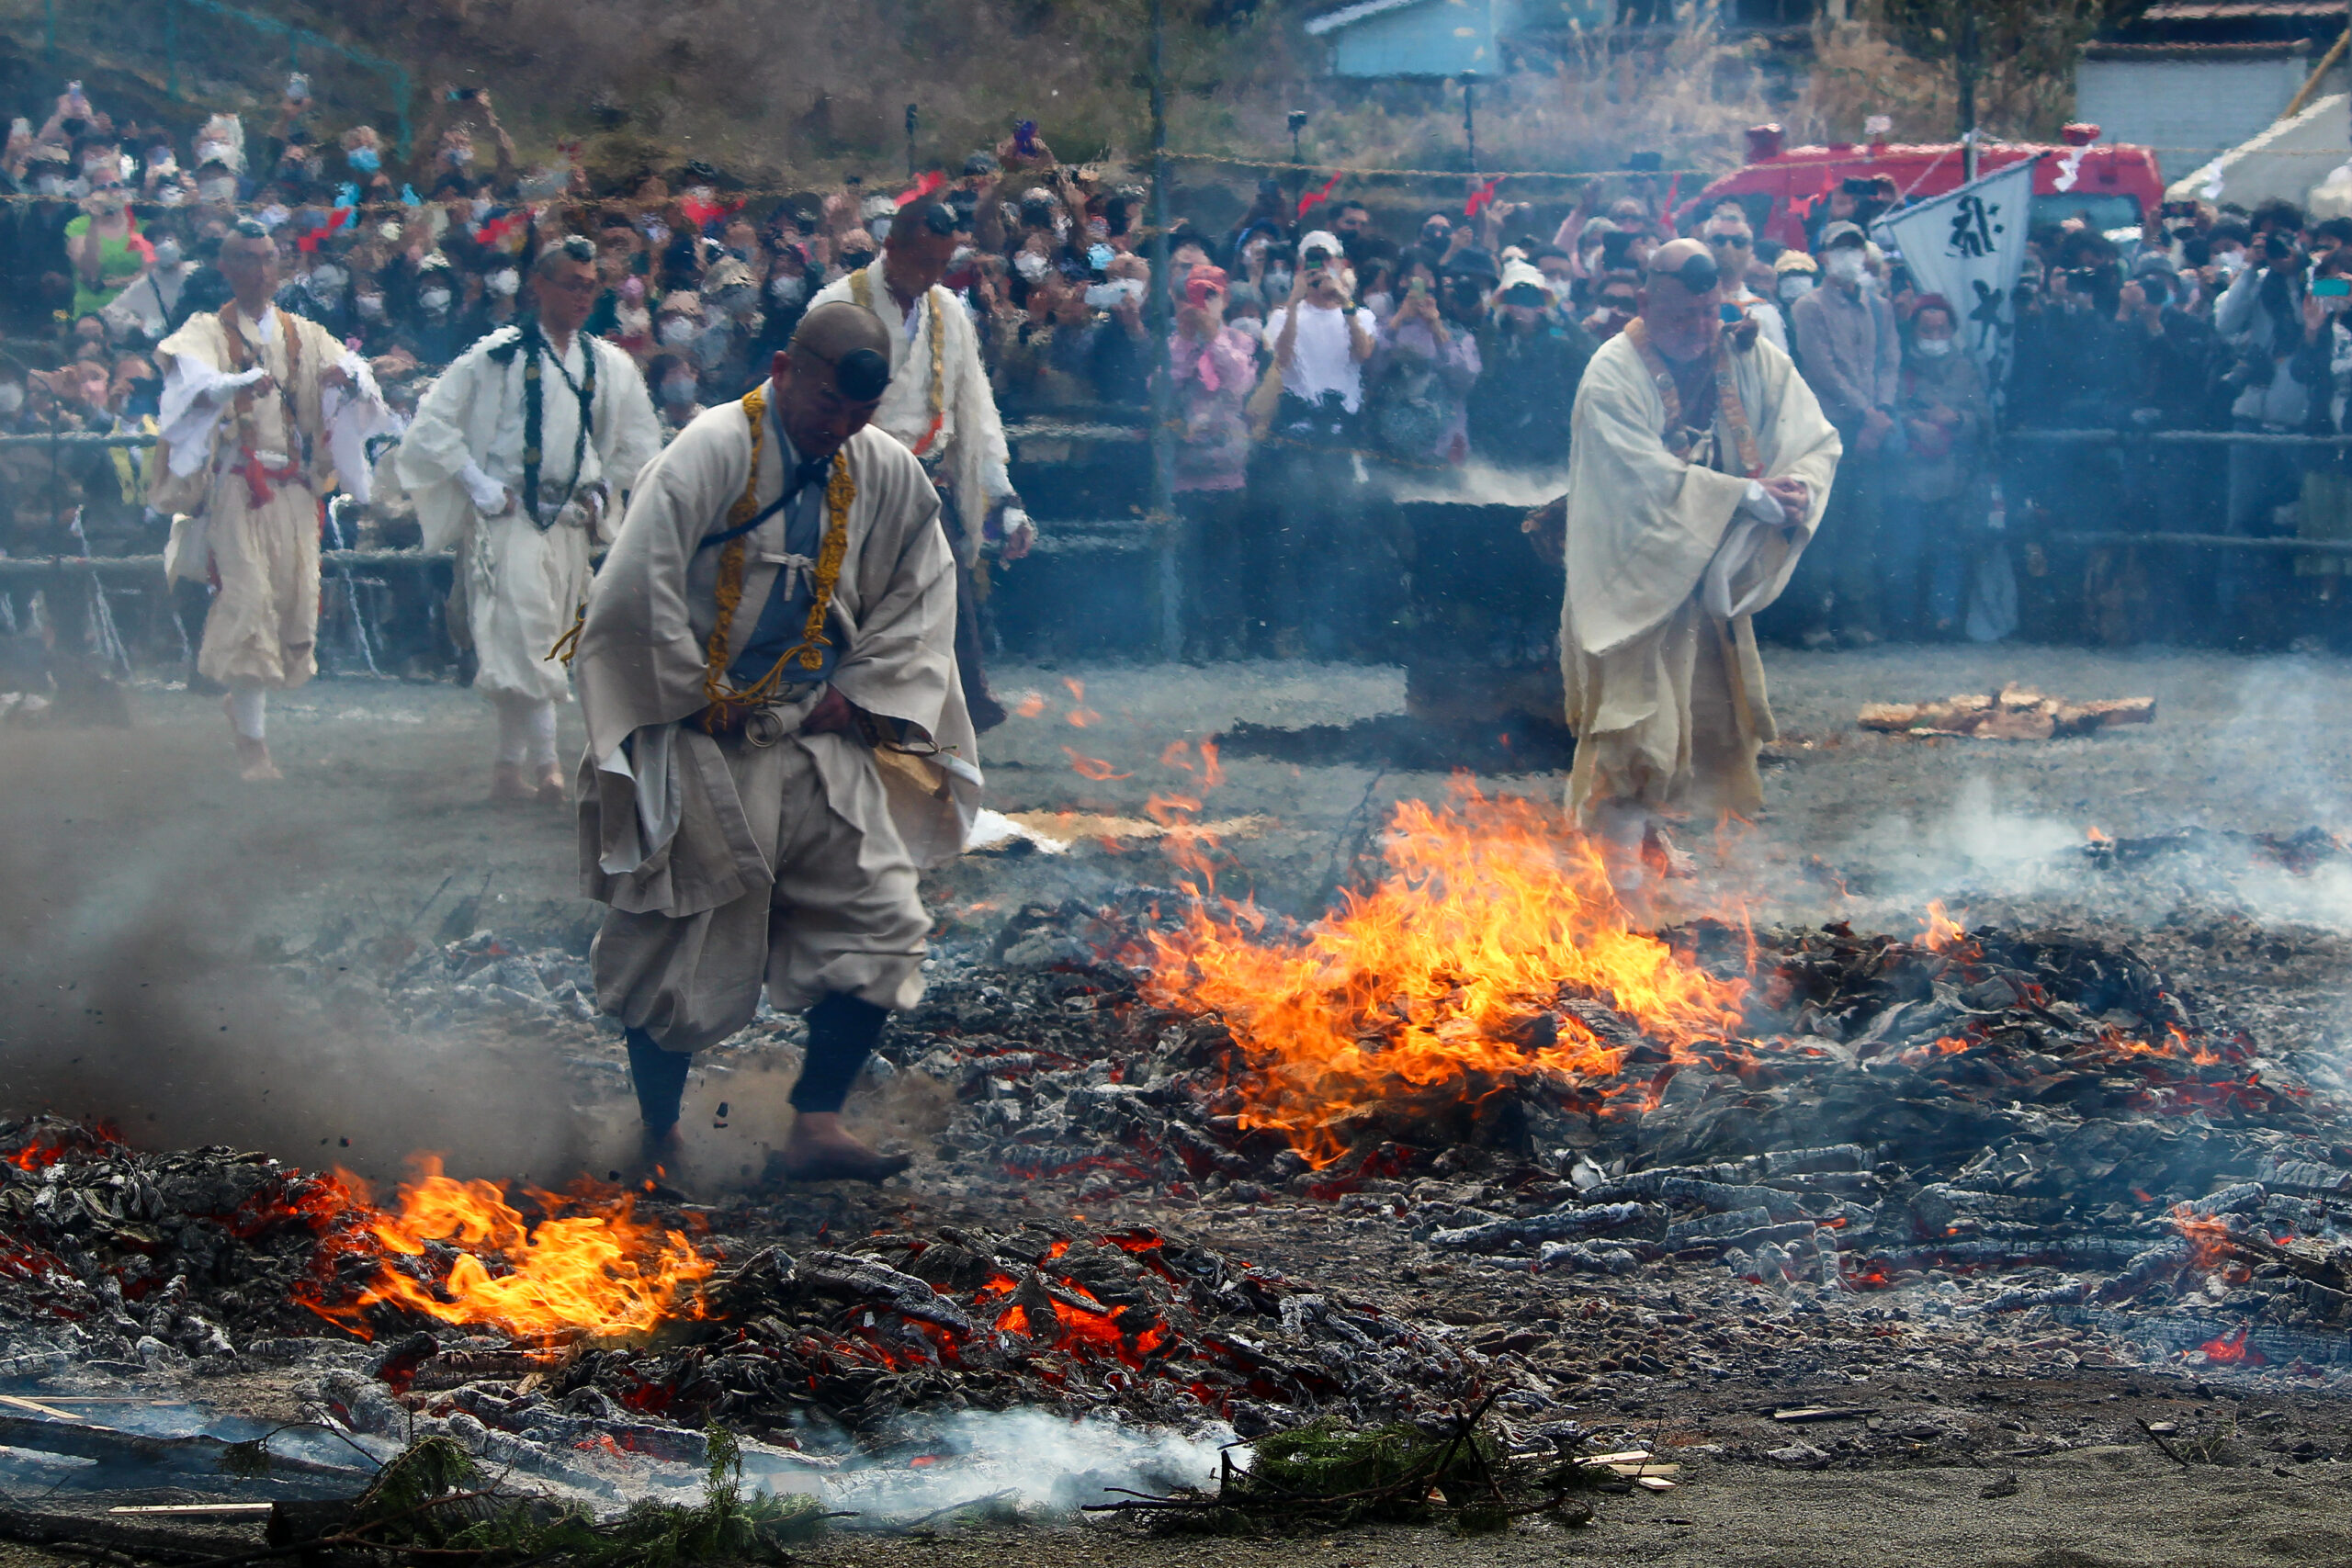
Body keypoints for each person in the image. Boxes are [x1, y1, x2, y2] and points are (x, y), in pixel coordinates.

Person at [573, 302, 982, 1183]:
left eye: (858, 416)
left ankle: (816, 1124)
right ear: (784, 369)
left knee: (878, 920)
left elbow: (923, 596)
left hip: (813, 734)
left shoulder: (884, 470)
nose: (837, 427)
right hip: (702, 738)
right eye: (827, 404)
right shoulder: (710, 452)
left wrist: (859, 695)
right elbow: (632, 590)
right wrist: (691, 693)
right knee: (673, 937)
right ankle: (658, 1134)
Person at [1548, 239, 1840, 850]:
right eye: (1683, 317)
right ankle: (1619, 893)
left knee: (1698, 727)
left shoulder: (1745, 354)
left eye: (1710, 313)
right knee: (1637, 737)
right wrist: (1738, 495)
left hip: (1701, 579)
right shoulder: (1611, 372)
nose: (1701, 329)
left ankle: (1650, 853)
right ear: (1645, 301)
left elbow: (1814, 438)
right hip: (1633, 582)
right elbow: (1635, 478)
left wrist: (1796, 492)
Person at [394, 234, 663, 802]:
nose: (581, 297)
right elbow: (430, 428)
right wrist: (479, 484)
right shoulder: (495, 355)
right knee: (527, 628)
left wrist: (604, 494)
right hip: (509, 516)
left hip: (569, 523)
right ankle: (548, 767)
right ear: (538, 286)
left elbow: (638, 444)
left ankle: (505, 766)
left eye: (590, 287)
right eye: (570, 284)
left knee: (540, 636)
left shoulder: (608, 364)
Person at [149, 220, 391, 780]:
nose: (258, 271)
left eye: (266, 259)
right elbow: (187, 381)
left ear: (278, 267)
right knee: (249, 598)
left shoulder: (304, 332)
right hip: (239, 485)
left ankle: (245, 707)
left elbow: (360, 376)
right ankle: (254, 746)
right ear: (225, 268)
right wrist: (233, 386)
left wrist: (346, 377)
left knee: (293, 601)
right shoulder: (206, 329)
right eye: (245, 259)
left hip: (295, 490)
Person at [810, 197, 1031, 730]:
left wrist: (1003, 500)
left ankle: (941, 722)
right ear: (891, 247)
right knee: (853, 616)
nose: (933, 275)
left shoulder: (949, 310)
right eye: (924, 261)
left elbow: (974, 413)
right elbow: (809, 405)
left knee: (940, 607)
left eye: (942, 263)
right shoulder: (837, 304)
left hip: (926, 489)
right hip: (853, 489)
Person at [1784, 220, 1897, 645]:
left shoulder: (1880, 307)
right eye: (1839, 248)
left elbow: (1890, 361)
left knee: (1865, 524)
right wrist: (1866, 411)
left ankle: (1857, 617)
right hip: (1831, 427)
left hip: (1874, 428)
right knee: (1825, 525)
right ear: (1823, 256)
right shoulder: (1808, 307)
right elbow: (1821, 368)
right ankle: (1815, 618)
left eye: (1855, 247)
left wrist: (1882, 411)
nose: (1849, 256)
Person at [1883, 296, 1986, 639]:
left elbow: (1984, 420)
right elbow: (1888, 406)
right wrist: (1912, 425)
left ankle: (1944, 620)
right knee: (1904, 551)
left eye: (1941, 329)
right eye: (1927, 329)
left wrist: (1955, 419)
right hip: (1907, 474)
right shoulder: (1897, 364)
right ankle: (1903, 622)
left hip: (1952, 475)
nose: (1934, 335)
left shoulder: (1965, 367)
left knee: (1949, 551)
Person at [1469, 261, 1595, 469]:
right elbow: (1482, 370)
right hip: (1503, 445)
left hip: (1552, 447)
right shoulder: (1494, 344)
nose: (1523, 307)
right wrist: (1493, 311)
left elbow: (1591, 355)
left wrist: (1561, 313)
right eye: (1516, 299)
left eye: (1531, 298)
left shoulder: (1561, 346)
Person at [1700, 207, 1786, 355]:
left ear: (1749, 249)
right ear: (1705, 245)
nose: (1728, 247)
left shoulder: (1764, 311)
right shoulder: (1692, 304)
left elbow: (1782, 370)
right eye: (1719, 240)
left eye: (1738, 241)